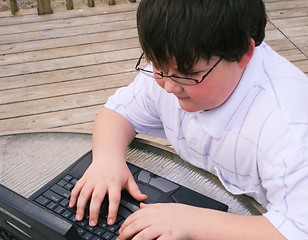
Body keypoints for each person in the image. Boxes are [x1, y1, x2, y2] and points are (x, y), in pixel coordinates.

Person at [69, 0, 308, 239]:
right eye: (159, 67)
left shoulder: (290, 126)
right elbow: (118, 113)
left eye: (190, 74)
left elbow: (298, 229)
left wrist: (194, 222)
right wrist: (107, 160)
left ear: (244, 53)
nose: (170, 86)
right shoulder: (176, 63)